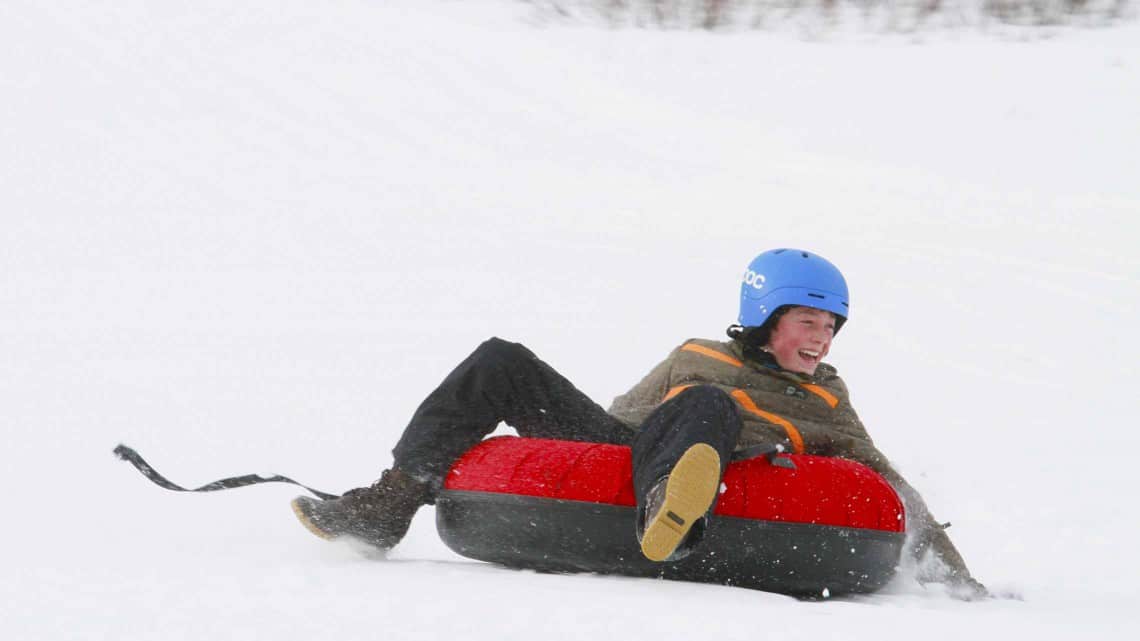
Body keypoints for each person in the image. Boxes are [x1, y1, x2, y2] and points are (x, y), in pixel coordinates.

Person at [291, 248, 987, 598]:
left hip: (725, 459)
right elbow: (620, 418)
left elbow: (885, 477)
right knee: (499, 360)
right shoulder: (698, 354)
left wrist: (956, 577)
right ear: (768, 318)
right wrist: (568, 455)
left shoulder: (828, 400)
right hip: (635, 446)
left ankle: (672, 512)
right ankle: (390, 501)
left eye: (831, 327)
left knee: (710, 406)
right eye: (808, 323)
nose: (821, 340)